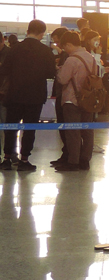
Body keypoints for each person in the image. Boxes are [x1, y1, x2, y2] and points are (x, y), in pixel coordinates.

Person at [0, 20, 56, 171]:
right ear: (42, 33)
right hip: (35, 96)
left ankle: (7, 158)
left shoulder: (15, 49)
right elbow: (51, 73)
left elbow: (4, 71)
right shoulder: (45, 51)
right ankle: (24, 160)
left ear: (27, 31)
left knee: (11, 127)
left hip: (14, 95)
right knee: (30, 128)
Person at [54, 31, 97, 172]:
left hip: (72, 100)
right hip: (88, 99)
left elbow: (63, 79)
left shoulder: (71, 60)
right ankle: (85, 160)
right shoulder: (91, 57)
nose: (64, 49)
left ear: (69, 44)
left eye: (64, 47)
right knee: (87, 130)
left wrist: (58, 71)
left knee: (73, 132)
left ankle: (73, 162)